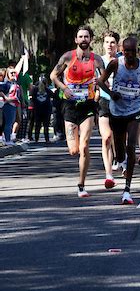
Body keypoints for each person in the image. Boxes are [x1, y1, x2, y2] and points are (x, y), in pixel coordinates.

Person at [98, 36, 140, 204]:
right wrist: (111, 94)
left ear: (137, 51)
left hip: (135, 108)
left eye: (133, 51)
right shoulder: (116, 64)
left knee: (131, 145)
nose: (130, 54)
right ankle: (120, 160)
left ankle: (127, 189)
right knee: (119, 150)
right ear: (122, 51)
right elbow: (100, 82)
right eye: (126, 51)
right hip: (117, 110)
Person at [50, 26, 104, 198]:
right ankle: (79, 170)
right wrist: (64, 88)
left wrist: (98, 85)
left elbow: (104, 80)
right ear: (76, 40)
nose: (83, 40)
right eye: (80, 37)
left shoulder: (97, 60)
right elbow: (53, 76)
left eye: (86, 37)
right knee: (74, 150)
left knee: (85, 145)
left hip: (88, 105)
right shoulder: (67, 57)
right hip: (70, 106)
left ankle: (81, 184)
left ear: (91, 39)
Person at [97, 30, 120, 189]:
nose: (109, 45)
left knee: (120, 139)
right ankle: (109, 175)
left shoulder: (123, 61)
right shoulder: (98, 61)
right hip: (104, 102)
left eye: (112, 42)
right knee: (106, 137)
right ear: (103, 44)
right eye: (107, 42)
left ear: (117, 45)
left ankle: (122, 160)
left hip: (121, 103)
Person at [31, 75, 53, 143]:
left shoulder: (35, 90)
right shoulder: (47, 90)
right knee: (44, 125)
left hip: (39, 109)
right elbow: (54, 96)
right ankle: (46, 139)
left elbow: (33, 98)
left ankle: (37, 139)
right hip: (45, 109)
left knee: (38, 124)